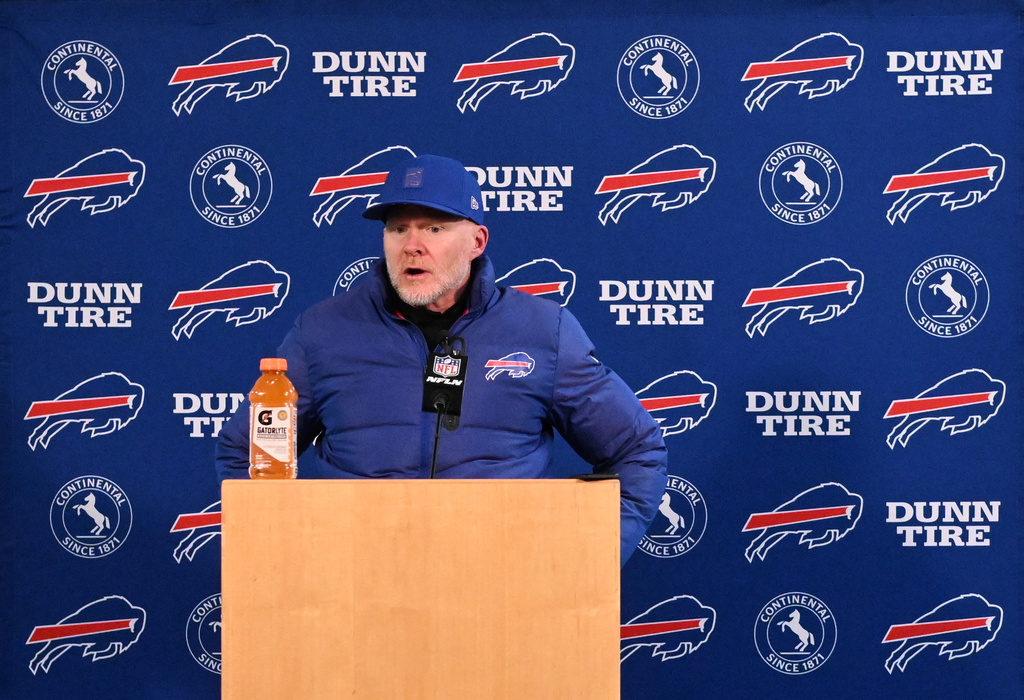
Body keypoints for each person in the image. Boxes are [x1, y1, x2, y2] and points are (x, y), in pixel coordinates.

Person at [216, 154, 668, 564]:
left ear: (476, 241)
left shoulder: (542, 331)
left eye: (434, 228)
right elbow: (247, 452)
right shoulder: (322, 332)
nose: (412, 244)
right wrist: (283, 555)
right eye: (397, 228)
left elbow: (636, 449)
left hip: (503, 591)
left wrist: (593, 559)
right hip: (353, 589)